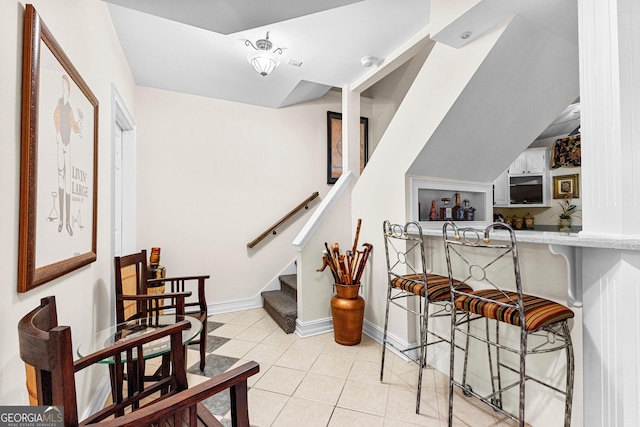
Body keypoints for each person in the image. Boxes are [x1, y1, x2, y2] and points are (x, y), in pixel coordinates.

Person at [53, 75, 83, 236]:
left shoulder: (70, 108)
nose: (63, 86)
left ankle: (68, 222)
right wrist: (57, 133)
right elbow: (55, 118)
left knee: (68, 181)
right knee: (60, 175)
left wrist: (79, 128)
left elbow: (74, 124)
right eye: (62, 83)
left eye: (65, 84)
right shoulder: (59, 104)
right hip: (60, 141)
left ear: (69, 88)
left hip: (68, 142)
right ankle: (60, 221)